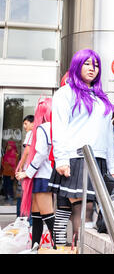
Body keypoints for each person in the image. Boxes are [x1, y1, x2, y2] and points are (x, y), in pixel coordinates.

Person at [48, 49, 114, 245]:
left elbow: (107, 134)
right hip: (75, 158)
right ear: (77, 65)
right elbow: (59, 128)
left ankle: (68, 248)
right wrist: (61, 159)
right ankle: (71, 248)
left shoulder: (102, 98)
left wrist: (113, 166)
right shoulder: (66, 93)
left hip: (99, 159)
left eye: (95, 65)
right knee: (82, 209)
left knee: (78, 208)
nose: (92, 68)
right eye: (87, 63)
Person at [16, 98, 56, 249]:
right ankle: (35, 247)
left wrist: (27, 173)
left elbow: (40, 154)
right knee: (38, 216)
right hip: (45, 175)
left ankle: (60, 247)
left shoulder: (43, 128)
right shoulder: (54, 127)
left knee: (47, 216)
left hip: (42, 176)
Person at [15, 115, 34, 217]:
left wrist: (20, 166)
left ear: (33, 123)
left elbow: (27, 151)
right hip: (33, 170)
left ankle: (22, 218)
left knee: (23, 196)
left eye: (26, 124)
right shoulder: (37, 134)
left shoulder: (31, 133)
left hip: (27, 170)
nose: (24, 126)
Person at [1, 141, 18, 205]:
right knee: (5, 185)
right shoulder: (6, 153)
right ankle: (6, 196)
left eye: (9, 145)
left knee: (9, 186)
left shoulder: (15, 155)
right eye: (7, 145)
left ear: (12, 146)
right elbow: (3, 163)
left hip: (11, 174)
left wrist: (13, 175)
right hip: (5, 173)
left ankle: (10, 197)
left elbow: (15, 165)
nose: (8, 147)